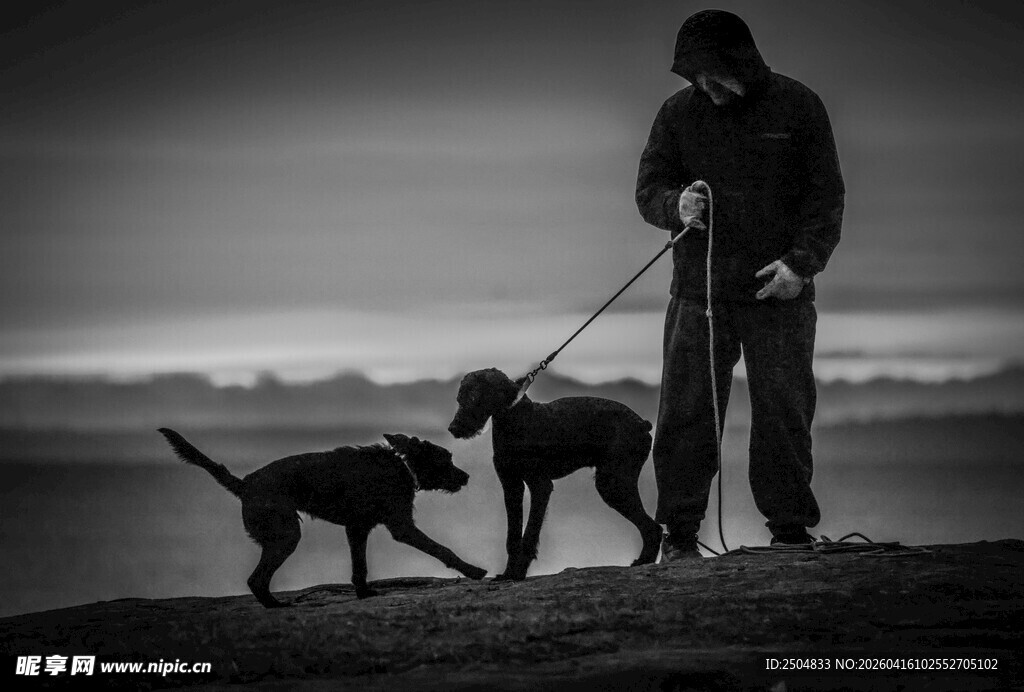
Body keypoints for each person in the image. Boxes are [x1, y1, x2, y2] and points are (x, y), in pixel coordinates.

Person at [635, 9, 844, 559]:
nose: (705, 86)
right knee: (684, 414)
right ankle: (678, 536)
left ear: (742, 62)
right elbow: (649, 188)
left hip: (780, 291)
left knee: (783, 410)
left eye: (713, 74)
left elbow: (826, 199)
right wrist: (674, 206)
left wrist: (800, 267)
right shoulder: (677, 114)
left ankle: (790, 533)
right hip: (697, 295)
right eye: (695, 77)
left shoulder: (799, 106)